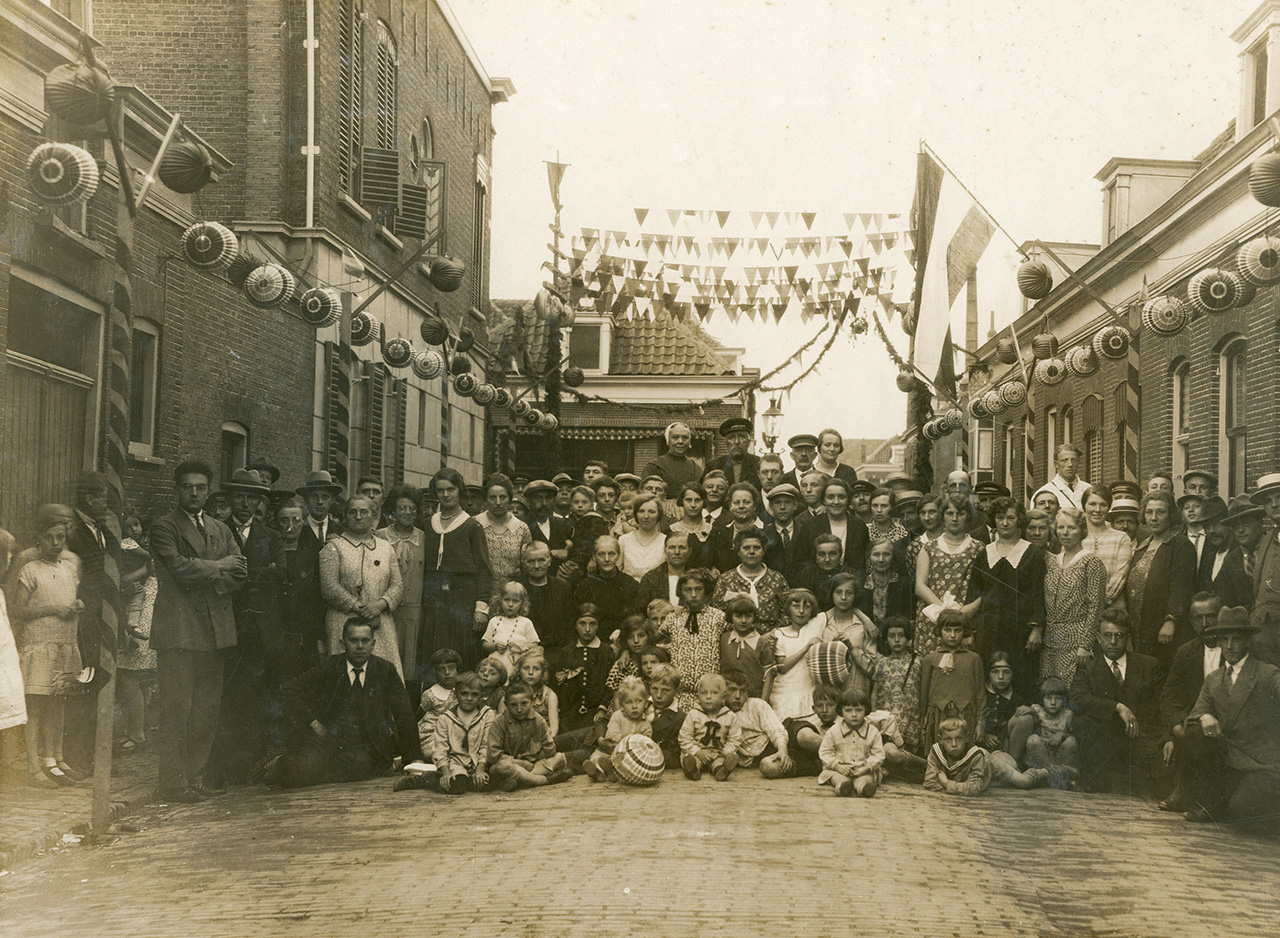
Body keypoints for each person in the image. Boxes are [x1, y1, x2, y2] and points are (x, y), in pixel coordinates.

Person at [150, 461, 247, 803]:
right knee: (177, 708)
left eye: (201, 487)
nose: (194, 493)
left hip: (216, 629)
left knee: (207, 709)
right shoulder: (164, 527)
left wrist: (208, 574)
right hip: (179, 630)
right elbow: (178, 569)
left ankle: (196, 775)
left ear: (208, 490)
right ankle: (173, 783)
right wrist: (218, 567)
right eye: (188, 487)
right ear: (177, 490)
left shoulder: (220, 528)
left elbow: (241, 572)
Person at [273, 618, 419, 789]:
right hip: (326, 737)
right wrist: (314, 723)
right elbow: (290, 689)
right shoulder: (329, 666)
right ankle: (277, 763)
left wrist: (413, 759)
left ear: (374, 643)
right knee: (295, 775)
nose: (359, 646)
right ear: (343, 644)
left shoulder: (385, 670)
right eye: (353, 640)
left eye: (365, 641)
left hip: (364, 745)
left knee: (360, 766)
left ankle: (315, 769)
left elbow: (404, 714)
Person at [210, 468, 287, 787]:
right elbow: (214, 574)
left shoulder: (271, 535)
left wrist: (242, 574)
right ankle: (222, 765)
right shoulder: (214, 531)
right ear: (229, 498)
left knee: (256, 694)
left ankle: (251, 763)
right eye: (239, 496)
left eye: (251, 497)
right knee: (225, 692)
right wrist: (258, 573)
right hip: (225, 622)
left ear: (259, 501)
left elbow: (281, 573)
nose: (244, 503)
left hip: (260, 627)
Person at [1180, 606, 1280, 824]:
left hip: (1259, 764)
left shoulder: (1266, 673)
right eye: (1224, 639)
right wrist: (1204, 715)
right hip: (1228, 761)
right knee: (1195, 732)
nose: (1230, 645)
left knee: (1242, 814)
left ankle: (1231, 802)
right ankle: (1214, 800)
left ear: (1248, 642)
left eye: (1236, 639)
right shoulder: (1214, 679)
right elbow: (1194, 714)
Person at [11, 508, 83, 787]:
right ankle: (34, 765)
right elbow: (18, 610)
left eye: (60, 538)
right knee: (38, 707)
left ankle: (56, 760)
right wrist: (54, 608)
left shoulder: (69, 568)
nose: (56, 543)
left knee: (59, 705)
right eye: (50, 538)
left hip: (64, 644)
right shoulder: (30, 570)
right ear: (38, 540)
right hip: (40, 646)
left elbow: (69, 598)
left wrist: (77, 605)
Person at [63, 473, 123, 774]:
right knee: (82, 682)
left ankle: (90, 751)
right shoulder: (73, 531)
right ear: (90, 499)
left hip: (102, 618)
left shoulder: (101, 529)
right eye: (103, 498)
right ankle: (76, 754)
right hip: (81, 618)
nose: (107, 505)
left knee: (97, 681)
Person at [1070, 607, 1162, 796]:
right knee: (1083, 722)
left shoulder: (1149, 666)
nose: (1113, 642)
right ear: (1098, 637)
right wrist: (1117, 707)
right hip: (1104, 740)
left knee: (1159, 785)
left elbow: (1160, 705)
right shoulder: (1087, 669)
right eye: (1107, 635)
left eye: (1119, 636)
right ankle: (1097, 781)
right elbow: (1077, 699)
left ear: (1128, 638)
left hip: (1139, 736)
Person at [969, 496, 1047, 698]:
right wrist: (970, 630)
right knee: (989, 675)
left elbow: (1039, 593)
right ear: (994, 520)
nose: (1005, 523)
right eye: (1000, 517)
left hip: (1019, 629)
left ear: (1019, 520)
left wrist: (1037, 628)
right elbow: (973, 594)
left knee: (1020, 678)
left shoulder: (1031, 553)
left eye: (1010, 518)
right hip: (989, 628)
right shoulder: (983, 553)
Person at [320, 495, 404, 676]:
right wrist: (360, 608)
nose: (358, 517)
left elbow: (397, 585)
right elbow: (330, 587)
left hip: (380, 621)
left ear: (374, 516)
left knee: (382, 673)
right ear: (345, 516)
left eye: (364, 512)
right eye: (352, 512)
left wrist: (379, 605)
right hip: (343, 620)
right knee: (345, 674)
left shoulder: (385, 547)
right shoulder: (334, 546)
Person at [421, 468, 492, 676]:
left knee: (460, 651)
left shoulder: (472, 526)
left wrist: (481, 607)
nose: (446, 495)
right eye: (440, 490)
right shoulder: (427, 524)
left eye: (450, 489)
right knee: (433, 650)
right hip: (434, 597)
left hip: (462, 597)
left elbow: (484, 569)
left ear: (460, 490)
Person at [1158, 593, 1223, 812]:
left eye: (1211, 616)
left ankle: (1189, 796)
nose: (1205, 624)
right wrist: (1176, 728)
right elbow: (1169, 696)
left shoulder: (1233, 649)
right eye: (1198, 618)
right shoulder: (1186, 653)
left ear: (1220, 616)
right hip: (1192, 728)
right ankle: (1184, 795)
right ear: (1191, 621)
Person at [1126, 490, 1196, 676]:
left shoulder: (1179, 544)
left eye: (1160, 512)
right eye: (1149, 512)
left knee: (1161, 674)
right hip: (1140, 627)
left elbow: (1181, 586)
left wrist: (1170, 621)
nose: (1154, 518)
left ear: (1171, 515)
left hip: (1164, 628)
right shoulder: (1142, 546)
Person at [1042, 508, 1107, 685]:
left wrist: (1085, 644)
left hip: (1077, 643)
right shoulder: (1053, 561)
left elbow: (1096, 606)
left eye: (1071, 528)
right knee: (1051, 693)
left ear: (1082, 531)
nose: (1065, 533)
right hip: (1051, 641)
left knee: (1073, 692)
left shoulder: (1091, 562)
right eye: (1061, 527)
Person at [913, 495, 983, 658]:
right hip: (934, 618)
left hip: (965, 619)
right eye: (949, 513)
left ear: (968, 516)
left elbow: (984, 589)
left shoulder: (979, 548)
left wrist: (965, 612)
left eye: (960, 514)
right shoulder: (929, 548)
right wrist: (945, 613)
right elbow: (920, 586)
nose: (955, 518)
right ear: (942, 516)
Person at [377, 484, 425, 688]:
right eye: (402, 508)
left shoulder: (423, 537)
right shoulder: (380, 536)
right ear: (393, 511)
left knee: (411, 663)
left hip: (414, 611)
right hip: (387, 610)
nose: (407, 512)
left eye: (412, 508)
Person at [294, 470, 344, 663]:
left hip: (332, 612)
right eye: (314, 497)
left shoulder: (341, 532)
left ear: (332, 501)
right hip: (304, 613)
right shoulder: (296, 531)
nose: (320, 502)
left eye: (325, 497)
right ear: (306, 500)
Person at [486, 680, 572, 790]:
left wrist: (538, 759)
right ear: (506, 704)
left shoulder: (539, 720)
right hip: (511, 765)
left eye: (524, 704)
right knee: (503, 767)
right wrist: (522, 763)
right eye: (513, 705)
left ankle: (522, 780)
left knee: (559, 757)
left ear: (532, 701)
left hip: (535, 764)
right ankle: (543, 780)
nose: (519, 709)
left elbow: (549, 748)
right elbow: (494, 756)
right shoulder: (498, 723)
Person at [919, 613, 985, 750]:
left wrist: (980, 722)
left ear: (965, 632)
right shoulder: (930, 659)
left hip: (965, 713)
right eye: (947, 630)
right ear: (939, 631)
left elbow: (980, 693)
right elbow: (923, 692)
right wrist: (923, 717)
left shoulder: (974, 659)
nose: (953, 635)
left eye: (958, 630)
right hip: (937, 714)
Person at [661, 570, 725, 710]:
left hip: (709, 694)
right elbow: (653, 640)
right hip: (679, 696)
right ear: (681, 592)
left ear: (706, 590)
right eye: (688, 590)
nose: (694, 594)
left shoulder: (719, 617)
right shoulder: (673, 618)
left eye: (698, 589)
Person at [549, 604, 615, 733]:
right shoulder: (567, 651)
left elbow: (610, 684)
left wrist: (602, 708)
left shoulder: (606, 651)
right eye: (582, 624)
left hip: (595, 713)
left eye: (592, 624)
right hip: (570, 714)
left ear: (598, 625)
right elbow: (557, 684)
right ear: (575, 625)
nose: (587, 629)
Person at [426, 670, 494, 794]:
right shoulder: (445, 719)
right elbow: (440, 748)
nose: (469, 698)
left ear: (481, 695)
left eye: (475, 694)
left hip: (478, 763)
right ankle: (427, 779)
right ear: (455, 694)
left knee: (485, 784)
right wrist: (446, 773)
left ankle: (471, 780)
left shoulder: (487, 715)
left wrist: (480, 769)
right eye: (464, 694)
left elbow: (486, 744)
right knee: (456, 786)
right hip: (455, 763)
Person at [711, 529, 789, 631]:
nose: (751, 552)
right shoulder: (726, 579)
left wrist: (774, 633)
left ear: (764, 551)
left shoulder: (776, 578)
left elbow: (788, 612)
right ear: (738, 552)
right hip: (735, 639)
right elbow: (717, 613)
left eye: (757, 548)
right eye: (746, 548)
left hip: (771, 640)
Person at [864, 616, 921, 754]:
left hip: (910, 713)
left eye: (901, 635)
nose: (896, 640)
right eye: (891, 636)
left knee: (907, 749)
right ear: (885, 639)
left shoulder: (918, 662)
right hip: (887, 714)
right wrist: (873, 713)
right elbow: (875, 691)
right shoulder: (881, 663)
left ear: (908, 638)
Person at [767, 589, 825, 721]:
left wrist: (864, 617)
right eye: (796, 606)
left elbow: (840, 608)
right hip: (786, 692)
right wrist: (806, 648)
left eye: (806, 606)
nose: (801, 610)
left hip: (810, 691)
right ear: (788, 608)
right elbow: (782, 667)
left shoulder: (816, 623)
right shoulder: (779, 634)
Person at [477, 474, 532, 606]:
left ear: (510, 499)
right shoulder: (475, 524)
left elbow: (526, 569)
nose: (498, 502)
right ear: (485, 500)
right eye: (492, 497)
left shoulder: (521, 528)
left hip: (511, 601)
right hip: (479, 600)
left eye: (503, 497)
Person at [584, 676, 651, 782]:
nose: (634, 706)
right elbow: (612, 736)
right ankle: (598, 772)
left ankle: (610, 771)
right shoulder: (617, 716)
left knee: (631, 764)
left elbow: (646, 744)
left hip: (628, 756)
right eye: (628, 702)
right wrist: (634, 739)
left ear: (646, 703)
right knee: (596, 757)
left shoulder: (645, 723)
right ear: (622, 705)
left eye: (639, 701)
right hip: (608, 751)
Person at [818, 688, 883, 797]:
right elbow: (825, 752)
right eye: (848, 710)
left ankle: (863, 788)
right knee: (837, 778)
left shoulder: (873, 732)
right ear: (841, 711)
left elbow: (878, 754)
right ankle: (842, 787)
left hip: (863, 769)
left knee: (866, 779)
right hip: (839, 769)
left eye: (858, 710)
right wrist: (837, 766)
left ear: (866, 710)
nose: (854, 714)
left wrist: (866, 768)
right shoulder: (834, 731)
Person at [797, 478, 870, 575]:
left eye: (841, 497)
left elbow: (863, 562)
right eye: (830, 497)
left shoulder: (858, 526)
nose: (836, 502)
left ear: (848, 500)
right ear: (823, 500)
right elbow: (802, 561)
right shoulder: (810, 526)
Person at [573, 536, 641, 638]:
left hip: (623, 638)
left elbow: (633, 621)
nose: (607, 559)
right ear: (594, 557)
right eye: (601, 554)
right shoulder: (585, 586)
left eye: (611, 554)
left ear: (618, 555)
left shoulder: (630, 584)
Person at [823, 572, 879, 696]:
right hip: (829, 694)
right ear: (831, 594)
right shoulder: (822, 622)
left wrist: (851, 648)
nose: (843, 597)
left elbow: (872, 668)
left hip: (856, 690)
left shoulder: (864, 626)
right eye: (838, 592)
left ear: (855, 595)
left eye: (849, 593)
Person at [679, 672, 741, 781]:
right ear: (698, 696)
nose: (708, 697)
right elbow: (684, 737)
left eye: (714, 693)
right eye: (704, 693)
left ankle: (721, 771)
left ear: (723, 697)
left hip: (718, 753)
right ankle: (693, 770)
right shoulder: (693, 714)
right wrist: (698, 751)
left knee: (719, 762)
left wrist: (725, 751)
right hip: (698, 752)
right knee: (689, 758)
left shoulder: (729, 716)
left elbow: (735, 738)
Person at [1195, 496, 1252, 610]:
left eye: (1216, 523)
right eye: (1207, 526)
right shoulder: (1208, 559)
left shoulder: (1243, 555)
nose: (1212, 531)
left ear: (1228, 524)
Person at [1021, 676, 1079, 788]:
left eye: (1058, 698)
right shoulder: (1037, 710)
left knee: (1071, 741)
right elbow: (1030, 712)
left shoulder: (1067, 715)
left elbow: (1074, 734)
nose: (1053, 702)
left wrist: (1062, 735)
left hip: (1059, 755)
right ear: (1042, 699)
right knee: (1033, 739)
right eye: (1049, 698)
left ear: (1064, 700)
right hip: (1042, 755)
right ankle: (1053, 776)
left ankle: (1055, 775)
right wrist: (1028, 710)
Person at [1081, 484, 1133, 606]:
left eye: (1103, 504)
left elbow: (1121, 575)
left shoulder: (1121, 538)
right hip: (1079, 611)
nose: (1098, 510)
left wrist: (1098, 603)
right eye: (1092, 504)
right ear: (1084, 506)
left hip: (1112, 609)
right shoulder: (1075, 537)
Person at [519, 542, 575, 650]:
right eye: (531, 561)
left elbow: (569, 625)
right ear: (523, 563)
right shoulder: (518, 588)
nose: (536, 566)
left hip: (556, 650)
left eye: (541, 560)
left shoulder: (562, 588)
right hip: (525, 649)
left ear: (549, 561)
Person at [1249, 473, 1280, 664]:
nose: (1274, 505)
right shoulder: (1267, 539)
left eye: (1279, 498)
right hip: (1265, 636)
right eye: (1268, 501)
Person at [480, 581, 540, 676]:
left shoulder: (526, 622)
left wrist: (521, 646)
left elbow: (535, 645)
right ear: (500, 600)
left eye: (515, 601)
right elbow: (485, 644)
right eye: (506, 600)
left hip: (516, 664)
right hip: (495, 666)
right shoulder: (494, 621)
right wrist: (495, 646)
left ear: (522, 603)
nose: (510, 604)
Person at [719, 597, 772, 699]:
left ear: (754, 617)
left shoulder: (761, 642)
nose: (743, 620)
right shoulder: (724, 638)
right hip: (727, 696)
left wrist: (763, 702)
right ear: (731, 617)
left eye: (748, 616)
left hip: (753, 696)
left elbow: (769, 675)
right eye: (738, 616)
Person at [923, 717, 991, 796]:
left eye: (959, 739)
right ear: (940, 739)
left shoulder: (975, 755)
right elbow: (929, 783)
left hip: (988, 761)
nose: (954, 744)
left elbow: (974, 789)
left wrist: (946, 783)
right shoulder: (936, 751)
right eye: (948, 739)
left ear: (966, 737)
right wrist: (963, 787)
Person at [858, 538, 913, 632]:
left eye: (886, 554)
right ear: (868, 557)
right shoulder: (860, 584)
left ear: (893, 556)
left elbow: (909, 618)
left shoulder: (905, 584)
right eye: (876, 554)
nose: (881, 559)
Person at [523, 480, 572, 577]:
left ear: (553, 500)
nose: (544, 503)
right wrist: (552, 553)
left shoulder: (562, 523)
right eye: (538, 498)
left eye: (548, 498)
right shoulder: (522, 526)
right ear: (528, 501)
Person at [417, 647, 461, 752]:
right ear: (435, 672)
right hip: (433, 734)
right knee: (434, 752)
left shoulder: (464, 691)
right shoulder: (430, 694)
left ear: (458, 669)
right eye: (442, 669)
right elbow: (419, 716)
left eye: (451, 668)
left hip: (456, 733)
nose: (447, 672)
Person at [637, 532, 692, 611]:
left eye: (682, 547)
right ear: (665, 550)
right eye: (672, 547)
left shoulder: (695, 577)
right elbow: (641, 612)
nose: (677, 552)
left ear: (689, 551)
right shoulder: (650, 578)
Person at [644, 422, 704, 491]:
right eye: (675, 437)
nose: (680, 441)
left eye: (685, 438)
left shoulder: (696, 469)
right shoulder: (654, 466)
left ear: (689, 442)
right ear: (668, 440)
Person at [704, 416, 760, 490]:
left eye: (742, 437)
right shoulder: (713, 466)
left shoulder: (759, 464)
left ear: (749, 442)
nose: (737, 442)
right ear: (726, 443)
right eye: (731, 437)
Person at [618, 495, 667, 580]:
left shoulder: (665, 541)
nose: (646, 516)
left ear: (658, 515)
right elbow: (617, 571)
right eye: (641, 511)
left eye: (651, 512)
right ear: (636, 514)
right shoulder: (624, 540)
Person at [762, 483, 804, 579]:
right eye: (777, 503)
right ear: (771, 507)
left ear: (795, 505)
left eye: (787, 502)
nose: (782, 507)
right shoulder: (764, 534)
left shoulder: (805, 531)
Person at [1039, 443, 1090, 511]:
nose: (1070, 464)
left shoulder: (1089, 489)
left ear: (1078, 462)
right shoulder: (1044, 492)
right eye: (1065, 460)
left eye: (1074, 460)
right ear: (1056, 464)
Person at [866, 489, 910, 557]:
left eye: (884, 506)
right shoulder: (865, 531)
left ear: (892, 508)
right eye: (875, 506)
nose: (879, 510)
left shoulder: (903, 533)